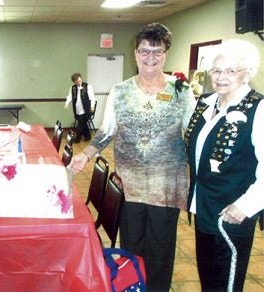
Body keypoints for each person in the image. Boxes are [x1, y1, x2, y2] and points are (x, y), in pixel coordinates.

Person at [68, 23, 195, 291]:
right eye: (144, 51)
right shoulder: (120, 91)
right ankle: (133, 287)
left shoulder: (182, 91)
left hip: (167, 188)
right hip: (130, 185)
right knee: (132, 248)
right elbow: (106, 132)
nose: (150, 58)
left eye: (157, 52)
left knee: (160, 252)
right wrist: (86, 156)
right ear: (136, 53)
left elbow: (194, 134)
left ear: (165, 54)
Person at [184, 39, 263, 291]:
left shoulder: (258, 109)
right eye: (216, 70)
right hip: (204, 208)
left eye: (231, 70)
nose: (221, 77)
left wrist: (246, 206)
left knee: (226, 284)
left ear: (248, 72)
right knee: (208, 278)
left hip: (232, 213)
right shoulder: (206, 103)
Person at [64, 72, 96, 142]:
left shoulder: (88, 86)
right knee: (83, 123)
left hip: (86, 109)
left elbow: (92, 97)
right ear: (74, 82)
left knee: (81, 124)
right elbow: (70, 96)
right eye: (77, 81)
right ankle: (88, 137)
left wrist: (92, 106)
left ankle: (76, 139)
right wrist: (67, 103)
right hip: (77, 110)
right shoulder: (73, 88)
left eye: (80, 80)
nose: (79, 82)